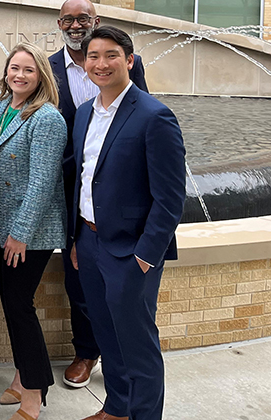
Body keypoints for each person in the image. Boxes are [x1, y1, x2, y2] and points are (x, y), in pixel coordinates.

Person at [70, 26, 185, 420]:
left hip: (130, 251)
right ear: (84, 64)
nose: (101, 64)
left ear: (129, 61)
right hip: (89, 242)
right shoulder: (85, 112)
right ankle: (116, 408)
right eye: (93, 56)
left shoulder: (155, 115)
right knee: (106, 334)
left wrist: (145, 255)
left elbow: (170, 198)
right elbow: (85, 179)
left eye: (111, 55)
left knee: (137, 345)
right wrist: (76, 237)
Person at [48, 0, 150, 389]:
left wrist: (146, 248)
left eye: (83, 18)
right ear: (59, 24)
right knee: (80, 280)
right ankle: (87, 351)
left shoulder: (130, 72)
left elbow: (141, 118)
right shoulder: (50, 67)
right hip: (72, 194)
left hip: (120, 197)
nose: (76, 24)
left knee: (127, 305)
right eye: (68, 19)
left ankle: (127, 379)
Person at [0, 43, 66, 420]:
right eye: (14, 68)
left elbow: (42, 182)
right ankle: (20, 379)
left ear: (41, 77)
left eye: (28, 70)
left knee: (20, 307)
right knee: (12, 305)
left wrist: (20, 232)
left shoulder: (47, 118)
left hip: (27, 233)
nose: (19, 75)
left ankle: (34, 394)